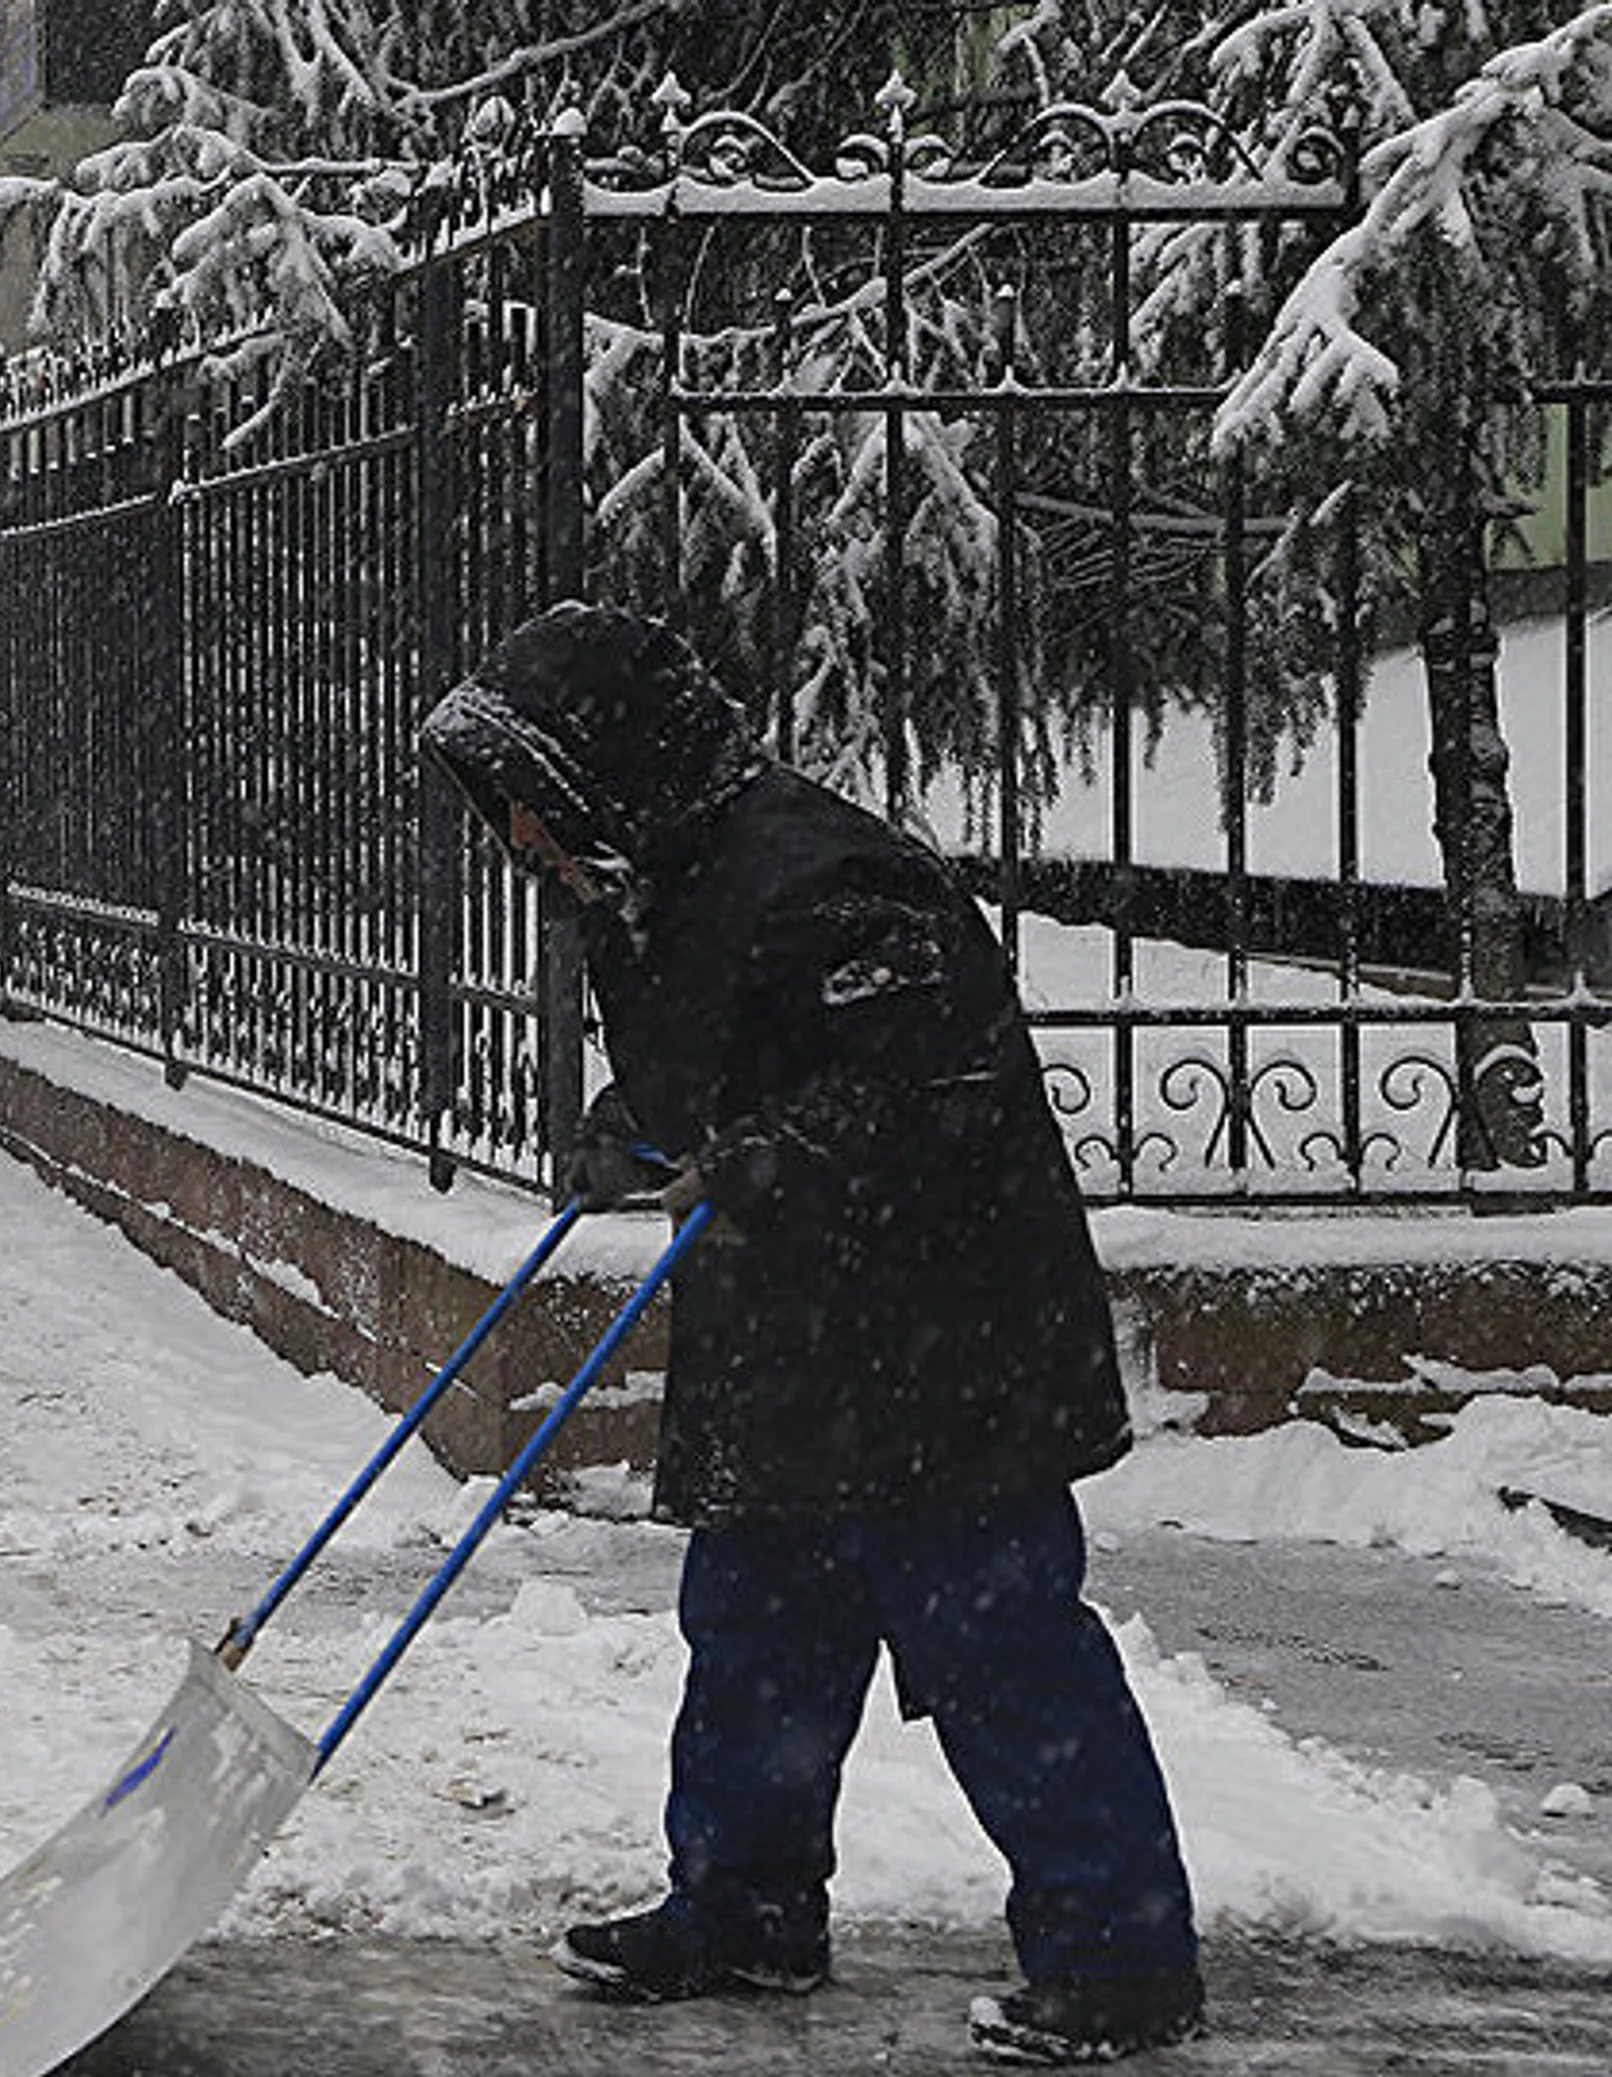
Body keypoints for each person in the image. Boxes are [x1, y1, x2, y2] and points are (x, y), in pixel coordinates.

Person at [415, 601, 1202, 2069]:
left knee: (994, 1639)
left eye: (529, 789)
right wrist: (637, 1136)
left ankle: (1120, 1956)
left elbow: (921, 1088)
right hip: (794, 1335)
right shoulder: (648, 885)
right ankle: (747, 1907)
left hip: (939, 1335)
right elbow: (730, 1065)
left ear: (611, 762)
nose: (515, 826)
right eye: (501, 796)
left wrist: (772, 1155)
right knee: (758, 1628)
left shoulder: (832, 876)